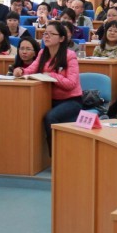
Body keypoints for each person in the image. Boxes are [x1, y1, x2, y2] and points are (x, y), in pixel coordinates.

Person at [13, 21, 83, 149]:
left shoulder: (70, 56)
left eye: (51, 34)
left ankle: (55, 154)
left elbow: (71, 84)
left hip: (71, 100)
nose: (46, 36)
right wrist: (21, 71)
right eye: (45, 33)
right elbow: (31, 69)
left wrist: (52, 75)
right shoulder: (42, 53)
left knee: (50, 117)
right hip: (48, 99)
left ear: (61, 38)